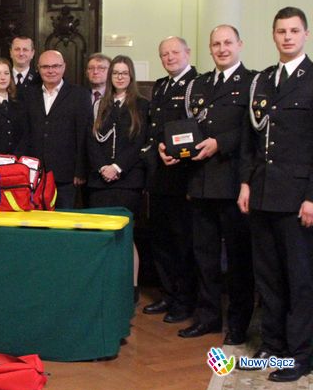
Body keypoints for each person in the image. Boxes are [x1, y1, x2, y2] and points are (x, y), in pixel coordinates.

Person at [238, 7, 313, 382]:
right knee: (267, 276)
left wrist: (312, 196)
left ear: (306, 34)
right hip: (263, 193)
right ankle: (273, 344)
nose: (287, 37)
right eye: (281, 31)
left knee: (299, 279)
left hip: (298, 198)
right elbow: (251, 139)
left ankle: (300, 353)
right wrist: (246, 182)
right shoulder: (263, 80)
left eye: (294, 31)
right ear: (273, 35)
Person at [169, 25, 254, 344]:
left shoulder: (251, 82)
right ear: (209, 48)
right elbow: (189, 127)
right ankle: (208, 317)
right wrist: (171, 146)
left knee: (238, 260)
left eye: (228, 43)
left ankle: (239, 323)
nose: (222, 49)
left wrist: (221, 143)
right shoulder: (199, 84)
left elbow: (252, 132)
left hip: (232, 183)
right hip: (200, 181)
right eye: (216, 44)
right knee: (204, 256)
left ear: (240, 45)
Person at [142, 37, 198, 323]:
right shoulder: (161, 86)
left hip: (183, 176)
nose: (170, 57)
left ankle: (184, 301)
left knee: (182, 242)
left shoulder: (196, 84)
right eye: (164, 54)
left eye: (175, 52)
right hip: (159, 176)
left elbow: (196, 128)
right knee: (161, 240)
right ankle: (168, 294)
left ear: (187, 53)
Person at [87, 55, 148, 302]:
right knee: (102, 236)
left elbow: (139, 142)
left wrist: (117, 167)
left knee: (125, 235)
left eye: (124, 73)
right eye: (115, 73)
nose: (120, 77)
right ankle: (105, 285)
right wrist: (103, 166)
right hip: (100, 181)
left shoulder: (141, 105)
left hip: (128, 180)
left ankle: (131, 287)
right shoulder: (100, 105)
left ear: (131, 76)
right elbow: (91, 141)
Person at [23, 50, 92, 209]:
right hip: (34, 171)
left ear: (64, 67)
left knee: (63, 218)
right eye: (45, 67)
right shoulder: (28, 94)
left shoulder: (79, 95)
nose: (51, 70)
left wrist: (80, 170)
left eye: (55, 66)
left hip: (66, 173)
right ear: (38, 69)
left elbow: (83, 134)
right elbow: (25, 132)